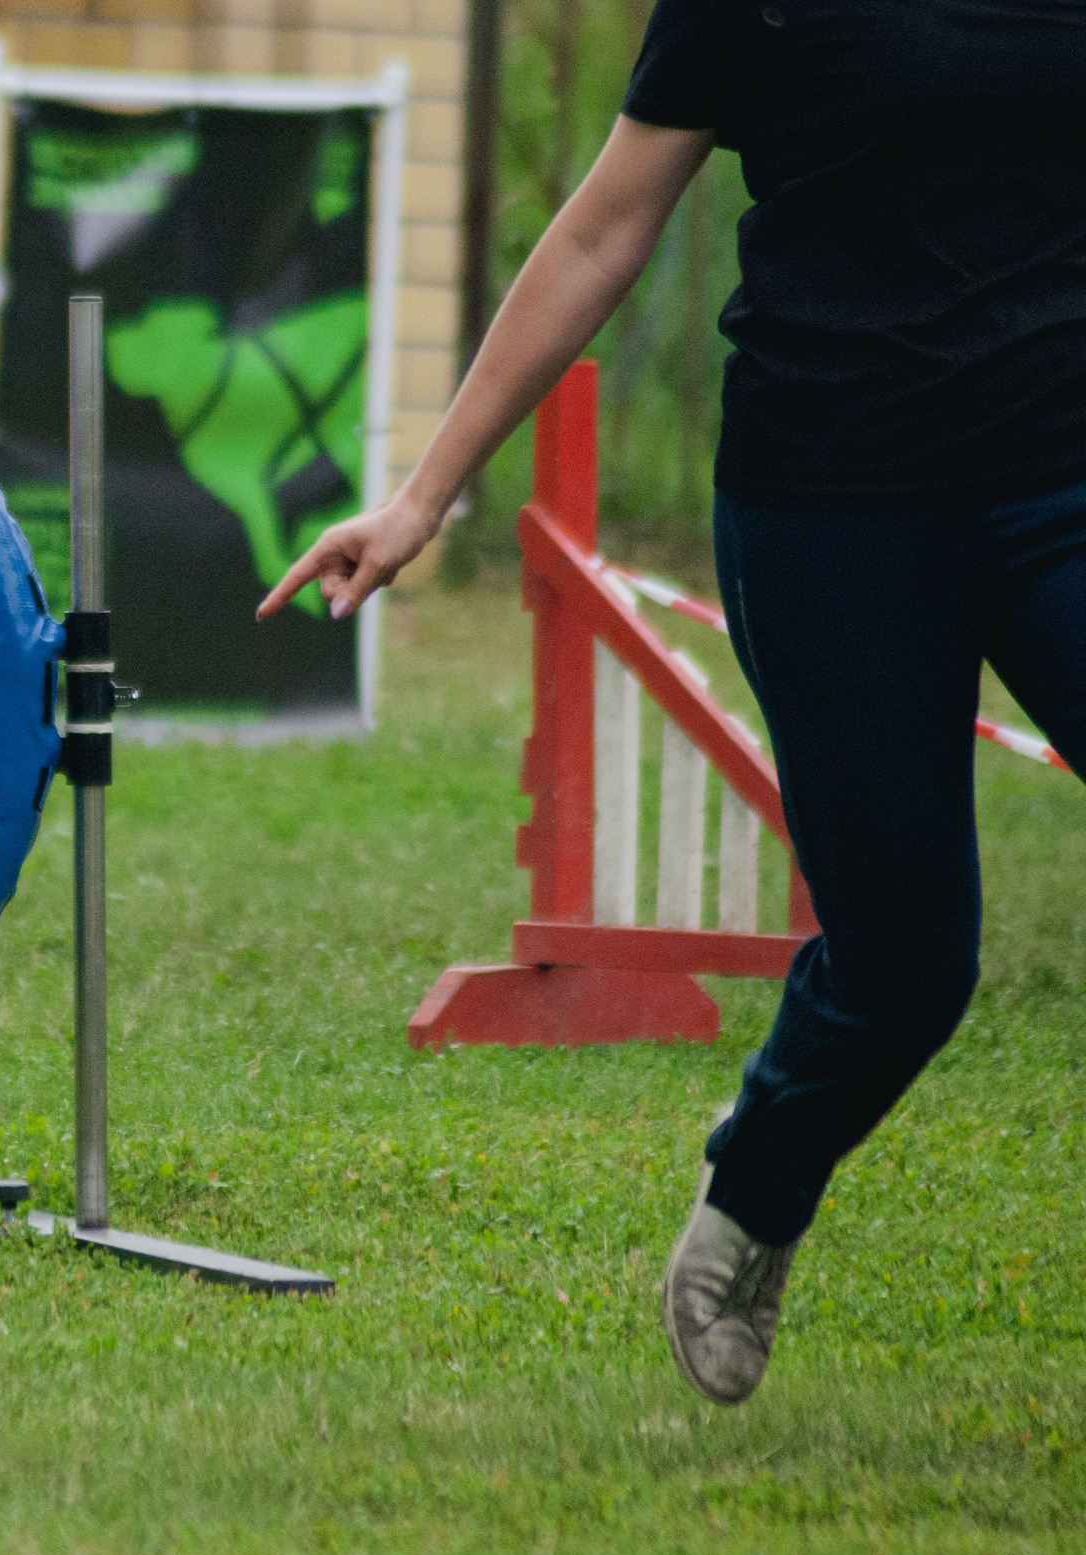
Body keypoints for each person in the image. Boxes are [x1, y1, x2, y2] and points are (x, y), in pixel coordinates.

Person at [259, 0, 1086, 1406]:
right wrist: (424, 492)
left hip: (1063, 474)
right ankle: (757, 1183)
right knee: (904, 970)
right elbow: (603, 227)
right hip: (836, 507)